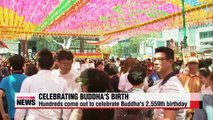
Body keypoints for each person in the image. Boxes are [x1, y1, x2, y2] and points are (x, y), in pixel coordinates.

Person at [15, 49, 69, 120]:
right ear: (53, 64)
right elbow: (66, 110)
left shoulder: (28, 81)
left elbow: (20, 110)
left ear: (37, 64)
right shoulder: (62, 82)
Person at [150, 46, 185, 120]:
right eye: (154, 59)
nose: (156, 62)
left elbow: (168, 118)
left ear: (170, 62)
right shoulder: (164, 82)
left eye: (160, 59)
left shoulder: (171, 86)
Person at [0, 55, 27, 120]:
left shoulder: (6, 80)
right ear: (23, 65)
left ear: (11, 66)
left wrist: (3, 113)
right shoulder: (28, 79)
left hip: (11, 116)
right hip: (25, 116)